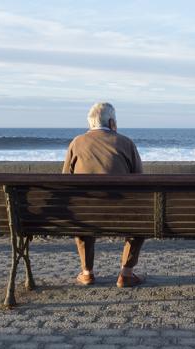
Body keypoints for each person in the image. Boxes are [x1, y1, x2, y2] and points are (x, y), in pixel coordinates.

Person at [62, 102, 145, 288]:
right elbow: (141, 179)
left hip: (86, 216)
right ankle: (126, 273)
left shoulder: (77, 143)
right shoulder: (126, 142)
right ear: (112, 122)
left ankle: (87, 273)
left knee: (82, 210)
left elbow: (64, 179)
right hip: (122, 214)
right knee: (143, 222)